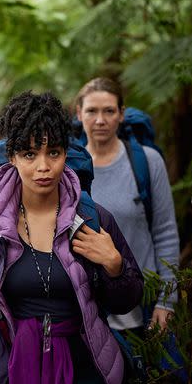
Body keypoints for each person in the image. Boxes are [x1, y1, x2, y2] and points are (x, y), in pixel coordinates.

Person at [0, 91, 143, 384]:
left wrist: (115, 266)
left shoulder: (92, 219)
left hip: (85, 367)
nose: (44, 166)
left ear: (65, 153)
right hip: (10, 365)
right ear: (12, 157)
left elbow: (125, 303)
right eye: (30, 154)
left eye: (53, 152)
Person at [75, 77, 180, 332]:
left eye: (109, 111)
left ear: (121, 114)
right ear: (78, 114)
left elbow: (165, 232)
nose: (100, 120)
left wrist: (166, 302)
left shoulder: (147, 162)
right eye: (91, 111)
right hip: (87, 314)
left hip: (142, 306)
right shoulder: (68, 168)